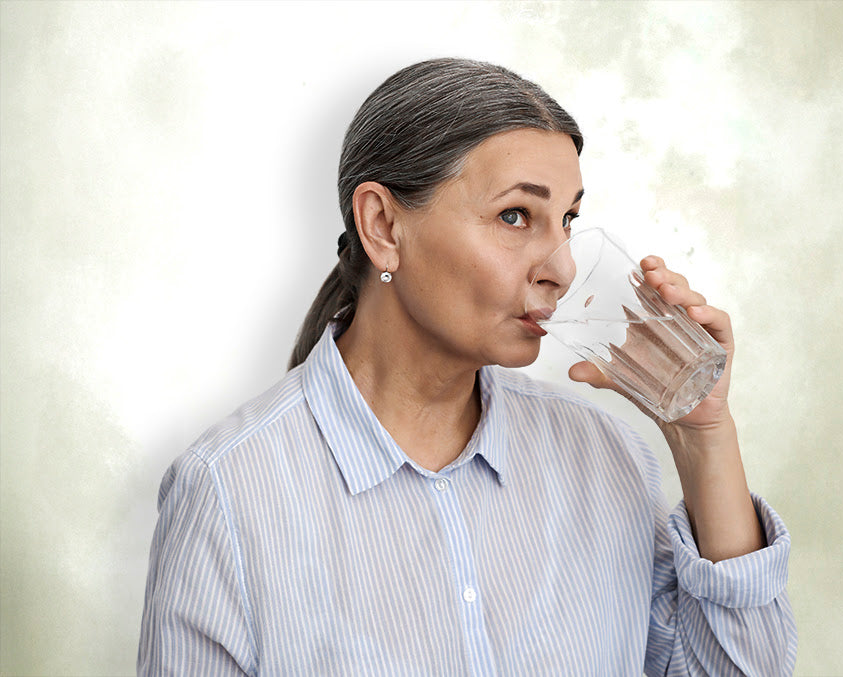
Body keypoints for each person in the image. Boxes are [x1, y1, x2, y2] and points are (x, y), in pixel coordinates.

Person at [138, 58, 796, 676]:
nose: (562, 268)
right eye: (516, 215)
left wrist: (702, 436)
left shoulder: (608, 460)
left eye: (566, 220)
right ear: (383, 226)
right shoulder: (228, 491)